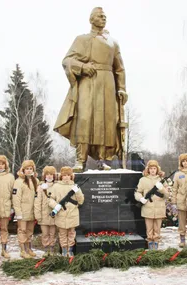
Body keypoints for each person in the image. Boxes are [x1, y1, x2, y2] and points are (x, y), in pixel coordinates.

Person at [53, 7, 128, 172]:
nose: (103, 18)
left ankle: (102, 159)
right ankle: (81, 159)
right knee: (85, 119)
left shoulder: (113, 43)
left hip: (108, 84)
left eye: (105, 16)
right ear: (91, 19)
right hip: (88, 82)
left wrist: (121, 88)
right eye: (100, 16)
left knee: (106, 121)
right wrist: (83, 66)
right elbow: (67, 61)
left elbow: (120, 68)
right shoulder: (81, 39)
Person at [48, 167, 85, 257]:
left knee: (72, 234)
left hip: (72, 214)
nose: (66, 177)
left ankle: (70, 250)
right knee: (62, 234)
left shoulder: (75, 186)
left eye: (68, 175)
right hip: (61, 214)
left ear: (71, 176)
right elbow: (50, 199)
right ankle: (64, 251)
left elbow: (81, 201)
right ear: (61, 176)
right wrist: (56, 206)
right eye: (64, 175)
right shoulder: (56, 186)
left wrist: (78, 191)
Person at [135, 160, 169, 250]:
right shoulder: (143, 180)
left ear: (157, 169)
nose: (153, 170)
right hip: (148, 209)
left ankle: (156, 244)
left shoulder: (162, 180)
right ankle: (150, 244)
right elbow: (137, 192)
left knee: (157, 229)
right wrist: (141, 198)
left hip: (159, 209)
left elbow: (167, 195)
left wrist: (162, 189)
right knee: (149, 229)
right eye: (151, 168)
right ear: (148, 169)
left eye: (154, 168)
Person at [12, 160, 39, 259]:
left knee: (30, 231)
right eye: (27, 169)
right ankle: (23, 250)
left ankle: (29, 248)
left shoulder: (36, 181)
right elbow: (16, 198)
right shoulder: (19, 182)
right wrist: (18, 212)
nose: (29, 170)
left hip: (32, 212)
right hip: (22, 212)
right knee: (22, 230)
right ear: (23, 170)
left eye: (30, 169)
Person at [172, 154, 187, 248]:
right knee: (181, 222)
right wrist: (174, 202)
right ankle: (182, 239)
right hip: (180, 201)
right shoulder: (178, 174)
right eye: (183, 161)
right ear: (181, 163)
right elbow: (174, 189)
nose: (185, 163)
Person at [35, 166, 58, 255]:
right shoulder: (40, 187)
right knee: (45, 234)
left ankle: (51, 249)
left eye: (51, 174)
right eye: (47, 174)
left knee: (52, 233)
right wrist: (38, 215)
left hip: (54, 215)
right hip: (43, 215)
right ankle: (46, 249)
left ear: (54, 176)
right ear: (44, 176)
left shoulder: (56, 186)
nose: (49, 176)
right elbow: (37, 202)